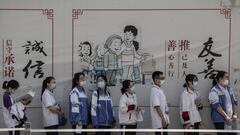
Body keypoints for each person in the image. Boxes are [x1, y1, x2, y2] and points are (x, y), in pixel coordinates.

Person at [209, 71, 238, 135]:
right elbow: (216, 105)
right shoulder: (214, 90)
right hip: (220, 119)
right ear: (220, 79)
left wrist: (234, 114)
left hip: (231, 118)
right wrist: (226, 116)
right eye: (226, 77)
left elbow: (234, 102)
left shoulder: (229, 88)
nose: (228, 79)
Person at [150, 71, 170, 135]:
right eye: (161, 78)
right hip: (159, 122)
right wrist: (163, 119)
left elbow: (160, 104)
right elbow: (157, 106)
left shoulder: (159, 90)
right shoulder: (155, 90)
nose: (163, 80)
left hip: (162, 120)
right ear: (156, 79)